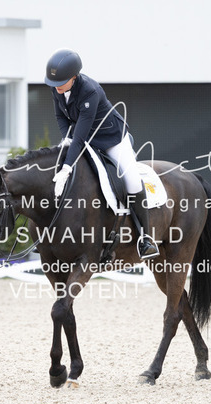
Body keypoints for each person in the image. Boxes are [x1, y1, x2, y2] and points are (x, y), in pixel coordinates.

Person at [45, 48, 159, 260]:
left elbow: (80, 136)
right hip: (85, 137)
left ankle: (145, 238)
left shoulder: (90, 91)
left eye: (60, 82)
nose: (56, 87)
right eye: (53, 83)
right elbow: (61, 117)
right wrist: (66, 138)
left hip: (111, 139)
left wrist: (67, 168)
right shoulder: (57, 88)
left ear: (74, 77)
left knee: (132, 181)